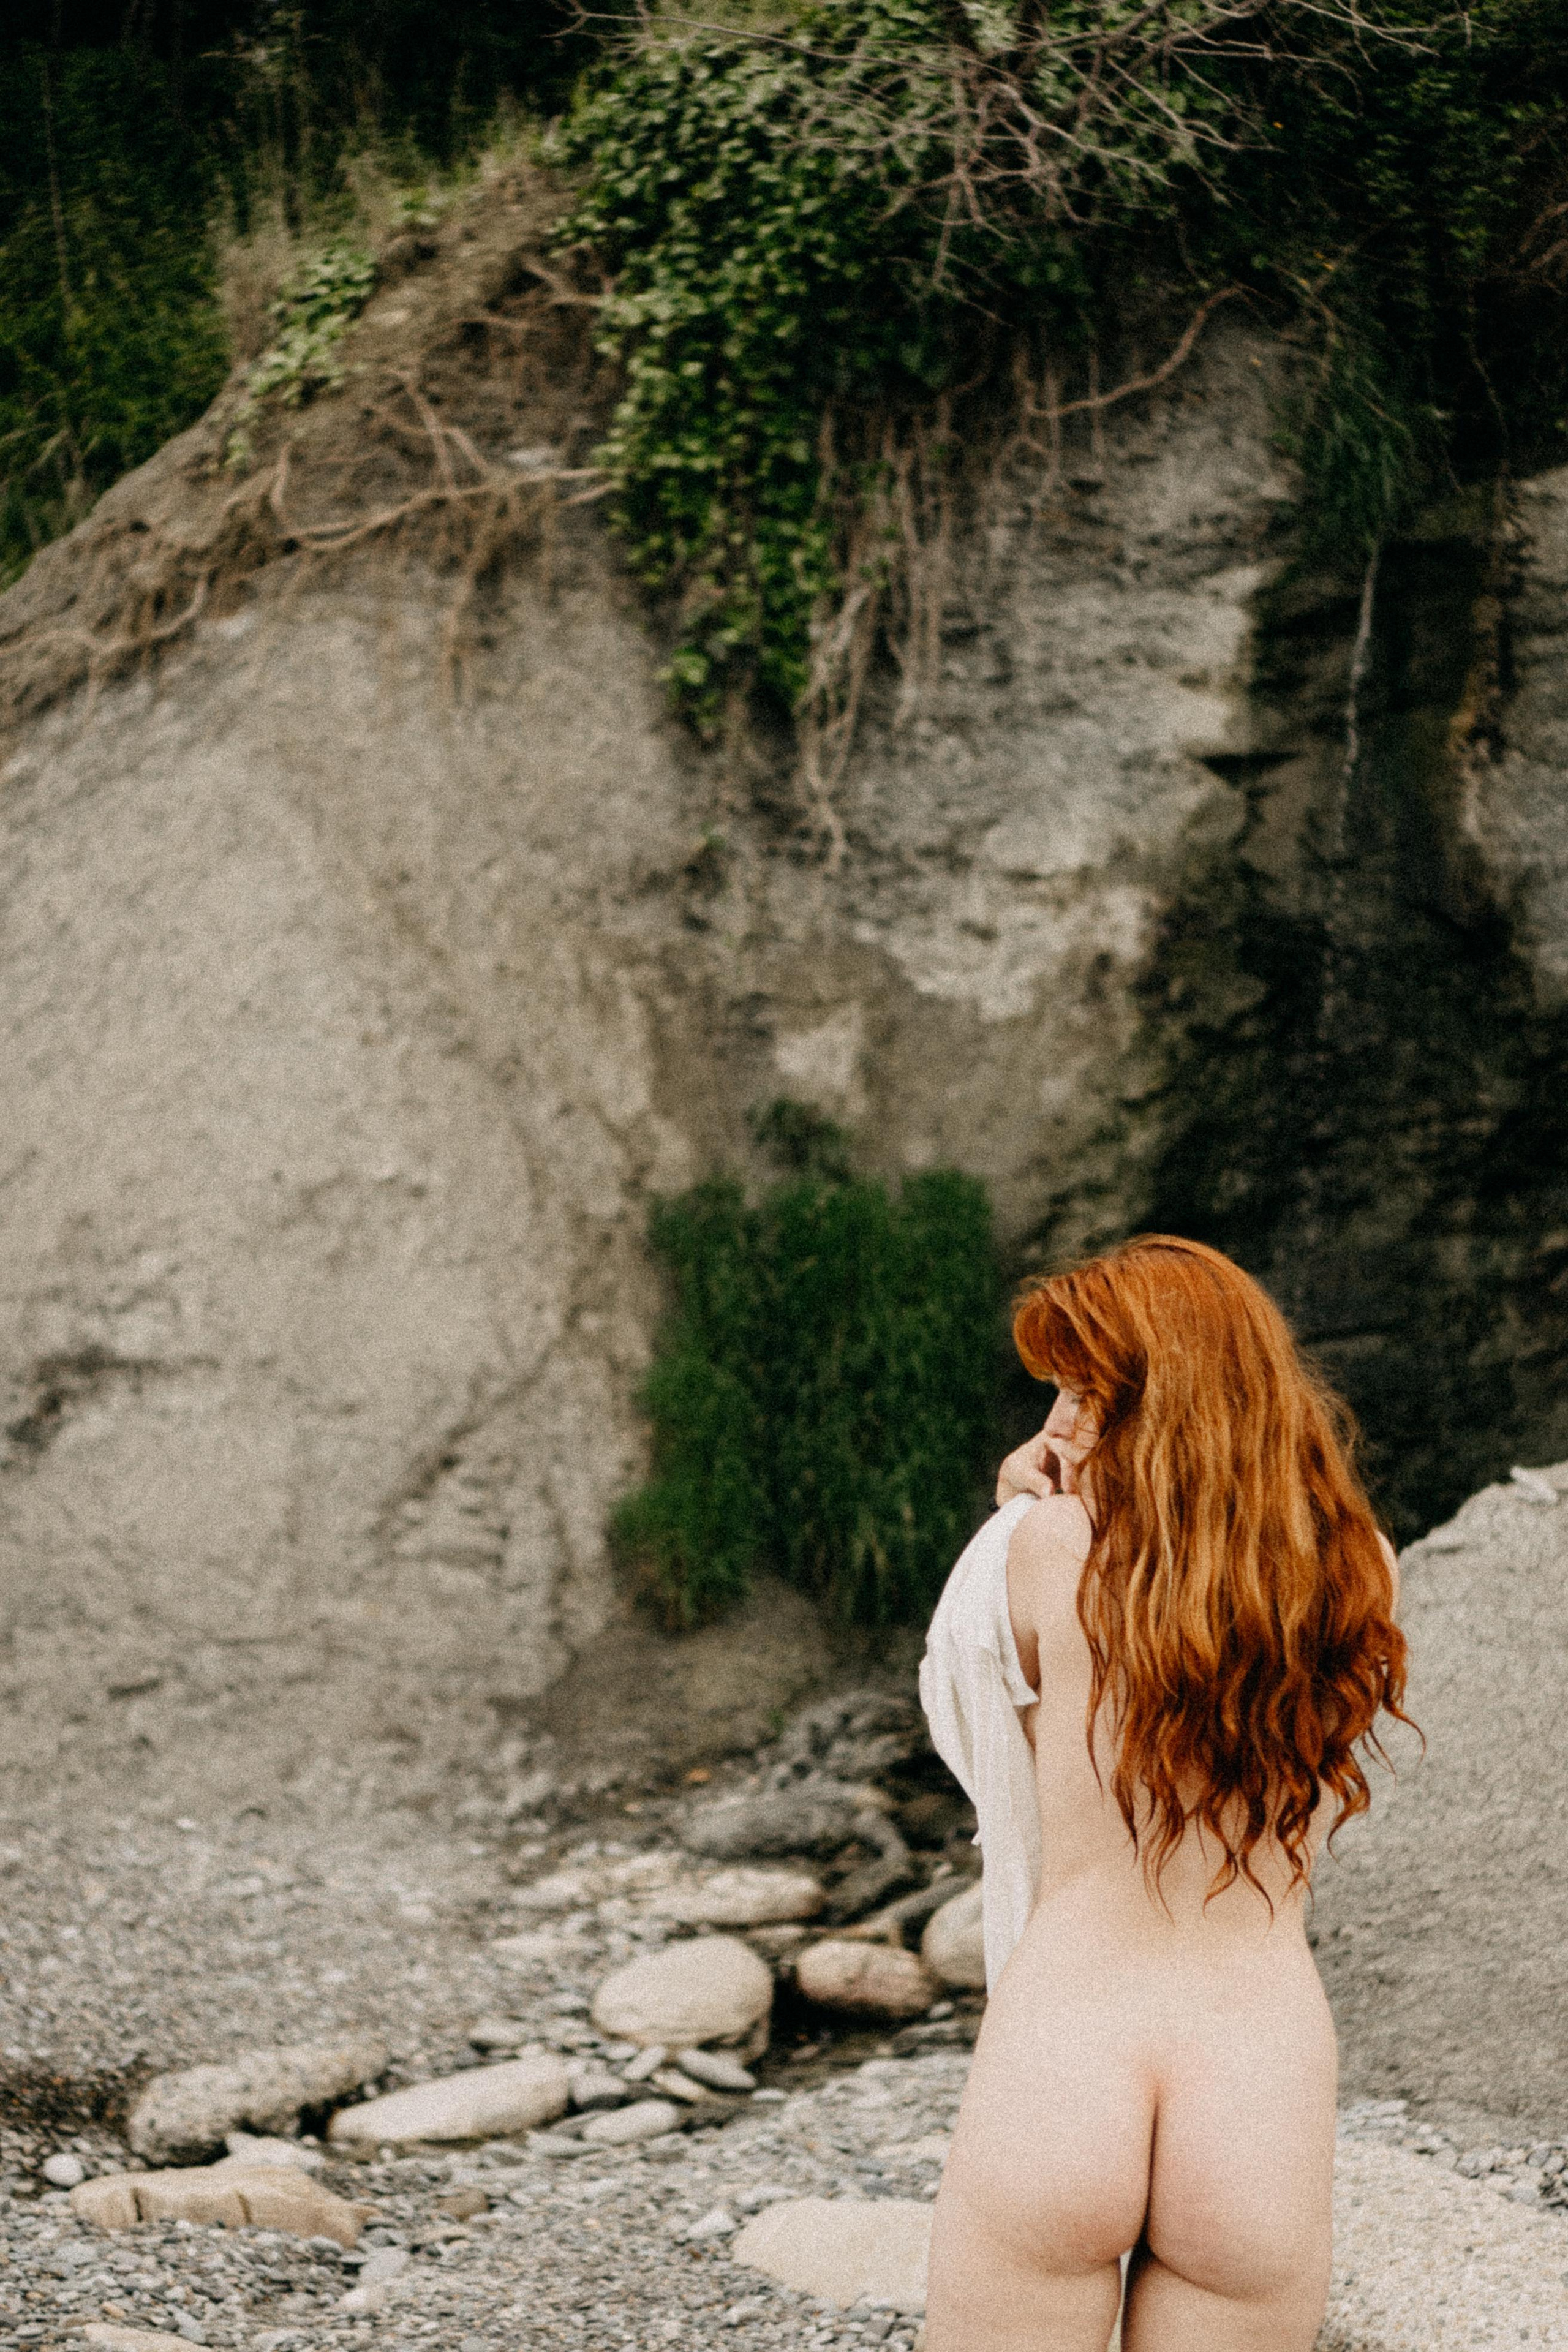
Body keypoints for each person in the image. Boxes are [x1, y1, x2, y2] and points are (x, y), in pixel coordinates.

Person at [919, 1234, 1412, 2352]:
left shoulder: (1044, 1549)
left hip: (1070, 2049)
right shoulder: (1362, 1567)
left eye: (1080, 1396)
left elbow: (965, 1706)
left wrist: (1007, 1514)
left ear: (1160, 1403)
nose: (1055, 1428)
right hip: (1259, 2078)